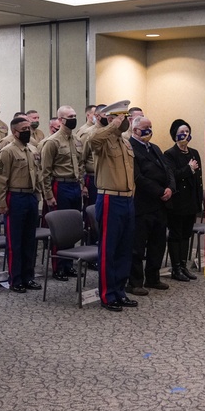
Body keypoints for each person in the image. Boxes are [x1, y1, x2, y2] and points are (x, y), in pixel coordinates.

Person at [87, 101, 137, 312]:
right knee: (109, 248)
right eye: (121, 117)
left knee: (125, 248)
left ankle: (120, 291)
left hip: (127, 199)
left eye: (126, 117)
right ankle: (108, 295)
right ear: (111, 118)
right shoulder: (102, 139)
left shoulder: (125, 142)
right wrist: (111, 125)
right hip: (109, 199)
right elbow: (93, 139)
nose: (125, 121)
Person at [0, 116, 43, 293]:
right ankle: (15, 279)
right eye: (23, 129)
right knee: (15, 241)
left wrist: (38, 195)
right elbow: (1, 180)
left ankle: (28, 277)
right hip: (15, 197)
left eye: (29, 128)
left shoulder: (32, 148)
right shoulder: (7, 152)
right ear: (14, 132)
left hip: (30, 197)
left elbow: (38, 174)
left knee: (29, 240)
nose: (28, 131)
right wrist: (1, 203)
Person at [127, 116, 175, 295]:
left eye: (150, 128)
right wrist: (159, 191)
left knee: (158, 243)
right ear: (135, 130)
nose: (149, 131)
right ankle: (135, 282)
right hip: (142, 204)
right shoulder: (130, 148)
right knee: (138, 246)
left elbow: (167, 170)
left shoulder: (154, 148)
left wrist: (170, 188)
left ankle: (153, 278)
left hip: (160, 205)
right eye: (145, 129)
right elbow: (137, 177)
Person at [40, 105, 83, 280]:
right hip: (60, 186)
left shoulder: (77, 140)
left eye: (74, 115)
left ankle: (69, 264)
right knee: (60, 228)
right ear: (60, 120)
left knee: (72, 227)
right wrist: (49, 195)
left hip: (74, 186)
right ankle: (58, 265)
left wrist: (82, 185)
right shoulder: (52, 142)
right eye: (69, 116)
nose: (73, 118)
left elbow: (80, 165)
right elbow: (45, 172)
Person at [164, 119, 201, 282]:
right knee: (176, 234)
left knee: (186, 234)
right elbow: (173, 176)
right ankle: (176, 268)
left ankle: (184, 266)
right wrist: (189, 169)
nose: (185, 135)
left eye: (187, 131)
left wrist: (199, 201)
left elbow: (198, 180)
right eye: (181, 132)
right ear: (175, 135)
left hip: (191, 201)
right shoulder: (169, 154)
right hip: (178, 201)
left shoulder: (194, 153)